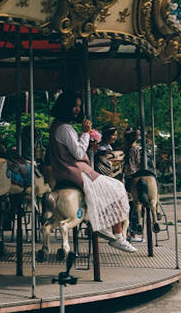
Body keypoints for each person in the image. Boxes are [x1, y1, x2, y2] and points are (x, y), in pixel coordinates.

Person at [47, 91, 136, 253]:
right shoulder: (65, 128)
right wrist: (86, 133)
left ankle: (103, 223)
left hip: (63, 170)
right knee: (117, 188)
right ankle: (117, 236)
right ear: (66, 107)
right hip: (75, 171)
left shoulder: (56, 126)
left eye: (79, 106)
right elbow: (79, 153)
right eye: (75, 106)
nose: (78, 110)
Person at [123, 126, 144, 242]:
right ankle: (133, 232)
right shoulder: (137, 150)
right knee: (137, 204)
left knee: (129, 206)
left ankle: (127, 231)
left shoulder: (123, 149)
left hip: (126, 177)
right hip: (135, 176)